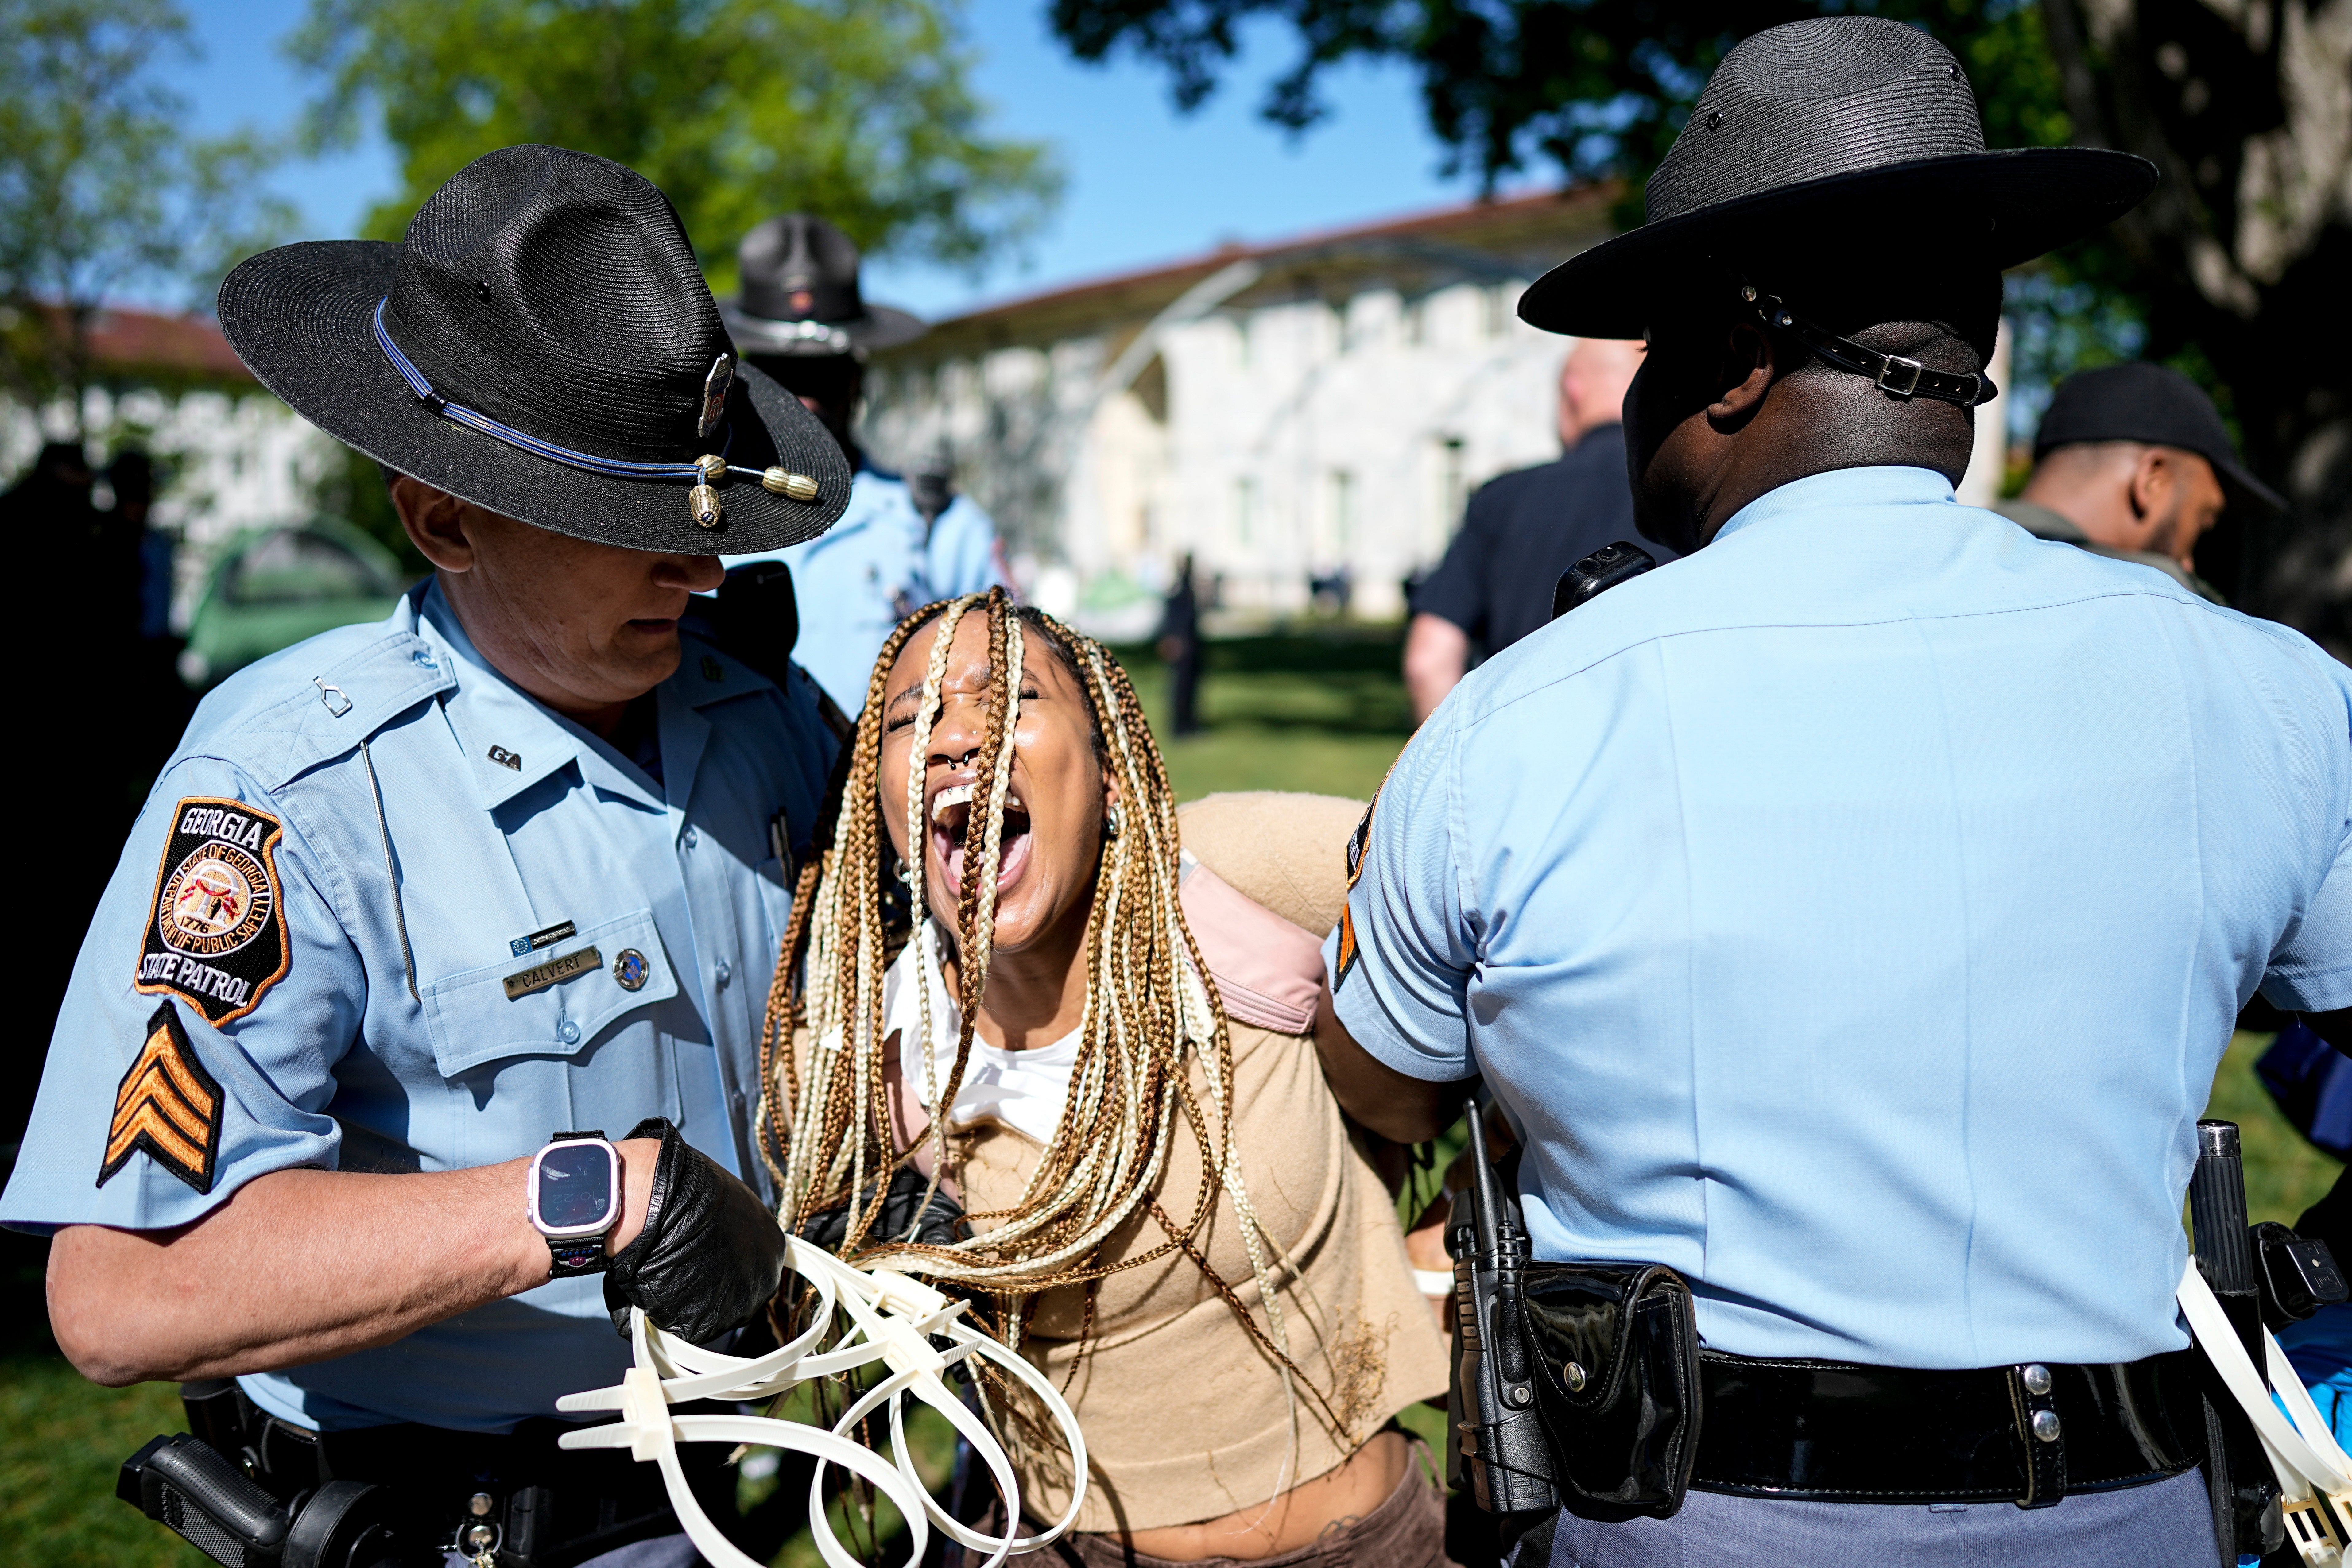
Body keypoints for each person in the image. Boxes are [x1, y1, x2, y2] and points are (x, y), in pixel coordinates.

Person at [1309, 17, 2352, 1563]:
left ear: (1730, 356)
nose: (1630, 403)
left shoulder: (1516, 724)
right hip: (2136, 1511)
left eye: (1650, 349)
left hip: (1684, 1523)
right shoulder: (2265, 690)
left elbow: (1369, 1097)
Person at [3, 145, 851, 1566]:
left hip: (751, 1491)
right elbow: (120, 1290)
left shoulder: (762, 712)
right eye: (631, 527)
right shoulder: (290, 786)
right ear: (444, 517)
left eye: (698, 519)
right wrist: (588, 1195)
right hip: (463, 1531)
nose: (702, 571)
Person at [762, 589, 1451, 1566]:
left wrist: (1458, 1215)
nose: (959, 734)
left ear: (1112, 770)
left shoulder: (1228, 879)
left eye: (1009, 695)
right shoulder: (870, 1047)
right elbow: (778, 1312)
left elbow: (1516, 900)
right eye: (914, 715)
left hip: (1367, 1544)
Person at [719, 214, 1008, 713]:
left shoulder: (937, 522)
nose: (803, 400)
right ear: (746, 379)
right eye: (781, 373)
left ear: (858, 380)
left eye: (822, 373)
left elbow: (1004, 676)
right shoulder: (698, 507)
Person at [1403, 338, 1662, 722]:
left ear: (1572, 389)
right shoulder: (1683, 494)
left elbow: (1429, 660)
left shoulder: (1503, 498)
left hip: (1519, 748)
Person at [1996, 361, 2285, 604]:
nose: (2188, 564)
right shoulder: (2162, 604)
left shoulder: (1959, 551)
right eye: (2201, 520)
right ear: (2152, 481)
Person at [1157, 551, 1204, 736]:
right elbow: (1174, 619)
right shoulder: (1179, 590)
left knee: (1191, 687)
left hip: (1191, 646)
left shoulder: (1188, 589)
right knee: (1181, 688)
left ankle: (1189, 722)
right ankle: (1181, 726)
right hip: (1182, 646)